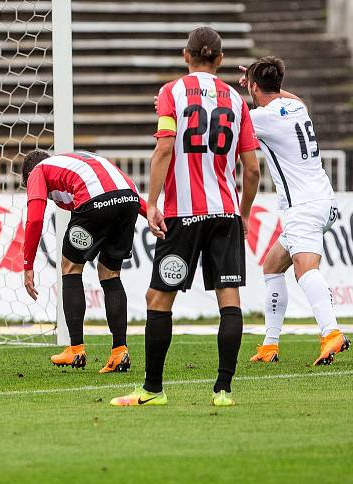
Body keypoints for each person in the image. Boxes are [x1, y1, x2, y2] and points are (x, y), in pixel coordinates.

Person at [110, 27, 261, 407]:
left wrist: (153, 203)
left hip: (184, 215)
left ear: (185, 55)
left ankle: (153, 390)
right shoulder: (237, 100)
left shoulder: (171, 93)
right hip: (225, 212)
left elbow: (163, 150)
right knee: (230, 299)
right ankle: (223, 390)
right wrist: (242, 215)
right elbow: (253, 170)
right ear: (221, 59)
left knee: (158, 299)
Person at [240, 57, 350, 366]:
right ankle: (269, 345)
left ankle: (331, 333)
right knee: (273, 266)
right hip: (321, 200)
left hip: (304, 206)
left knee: (305, 269)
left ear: (253, 87)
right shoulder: (296, 107)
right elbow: (292, 98)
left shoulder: (262, 117)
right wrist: (260, 82)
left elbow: (234, 120)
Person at [22, 150, 147, 374]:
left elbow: (35, 219)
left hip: (96, 202)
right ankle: (119, 352)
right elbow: (121, 191)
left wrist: (27, 265)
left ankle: (75, 349)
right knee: (110, 273)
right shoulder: (74, 161)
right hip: (130, 199)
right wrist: (154, 216)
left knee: (70, 266)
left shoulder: (37, 171)